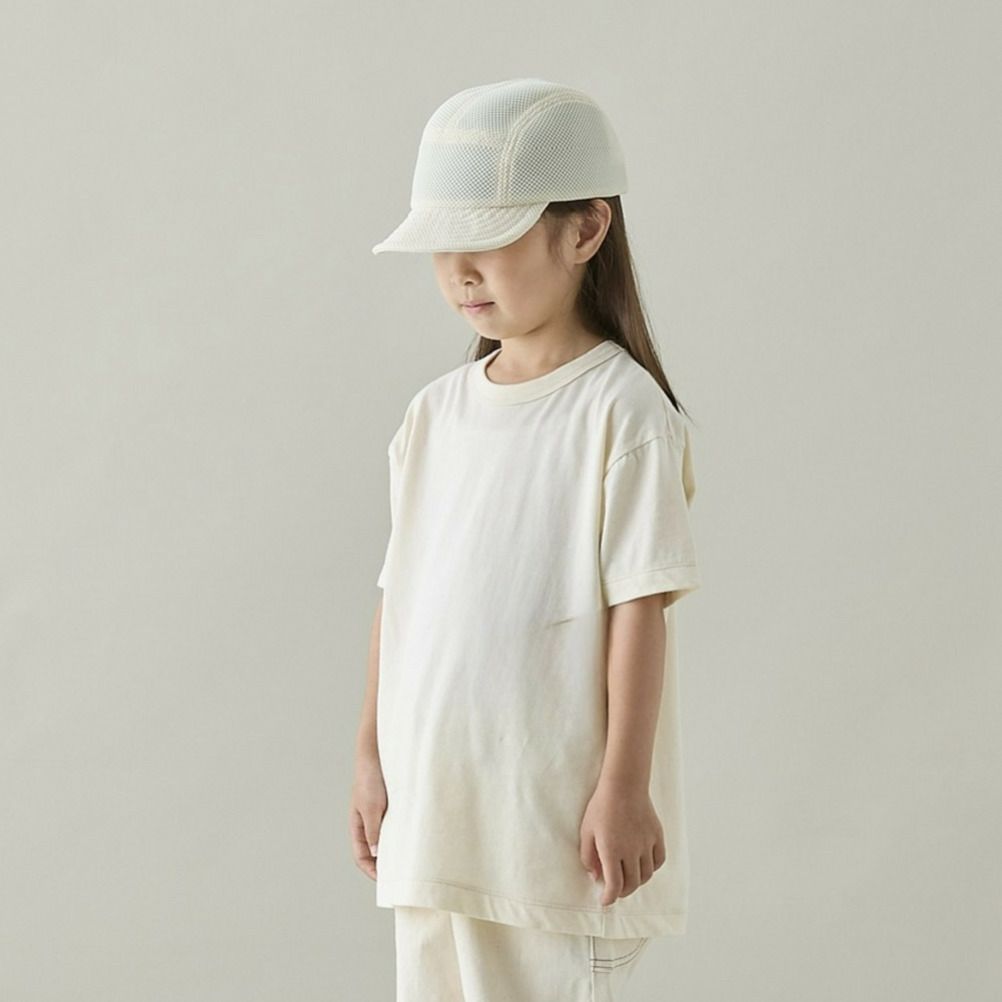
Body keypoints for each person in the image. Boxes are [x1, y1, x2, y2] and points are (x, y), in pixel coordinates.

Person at [349, 77, 703, 1002]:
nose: (460, 272)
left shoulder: (622, 413)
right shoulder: (433, 417)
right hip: (436, 828)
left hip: (551, 840)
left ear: (584, 231)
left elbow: (641, 611)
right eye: (443, 246)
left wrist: (624, 786)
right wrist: (370, 755)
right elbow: (401, 598)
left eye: (490, 239)